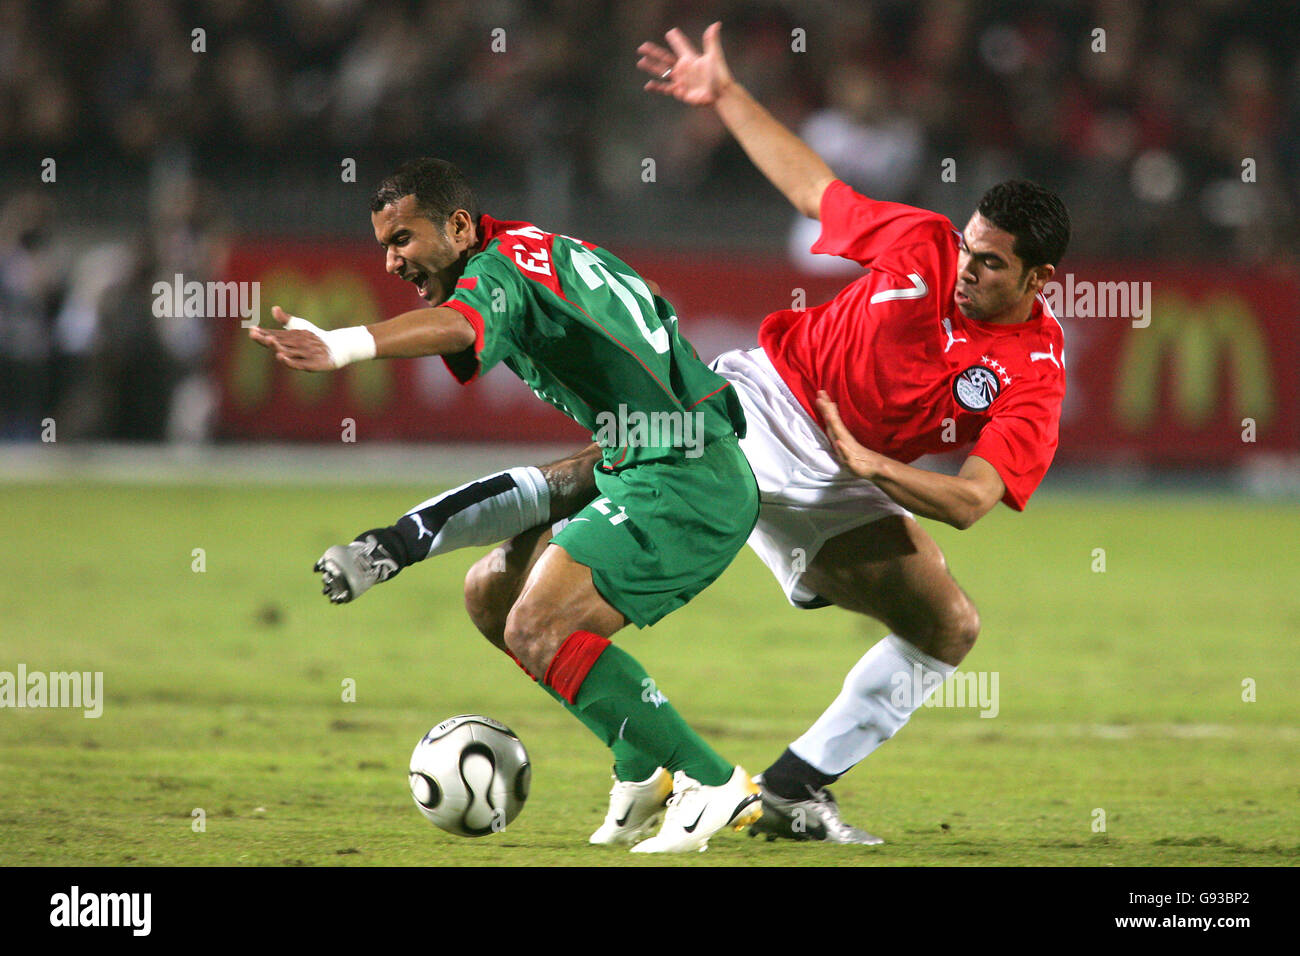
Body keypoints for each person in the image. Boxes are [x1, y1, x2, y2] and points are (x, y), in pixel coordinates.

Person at [320, 22, 1071, 848]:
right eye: (969, 248)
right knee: (506, 594)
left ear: (1039, 279)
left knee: (948, 628)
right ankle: (646, 770)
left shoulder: (1034, 371)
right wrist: (726, 94)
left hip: (854, 477)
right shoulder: (921, 243)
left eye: (992, 264)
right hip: (759, 409)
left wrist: (869, 466)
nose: (967, 267)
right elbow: (813, 189)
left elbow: (969, 502)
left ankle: (787, 791)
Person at [248, 156, 765, 853]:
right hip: (648, 456)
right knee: (493, 594)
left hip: (686, 476)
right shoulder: (546, 250)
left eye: (403, 240)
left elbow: (463, 328)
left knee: (537, 624)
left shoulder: (497, 270)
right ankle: (643, 775)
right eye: (384, 247)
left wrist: (344, 344)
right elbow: (550, 476)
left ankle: (712, 782)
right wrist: (401, 542)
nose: (394, 262)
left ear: (459, 227)